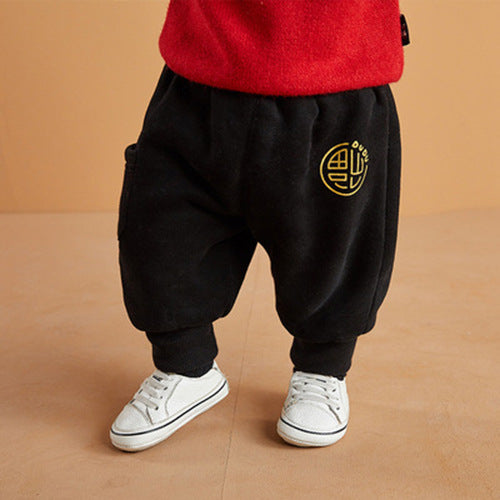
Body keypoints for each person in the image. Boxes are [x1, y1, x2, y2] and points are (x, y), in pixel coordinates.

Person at [109, 0, 409, 451]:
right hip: (203, 71)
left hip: (334, 75)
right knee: (161, 227)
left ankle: (322, 369)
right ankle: (184, 364)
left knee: (334, 243)